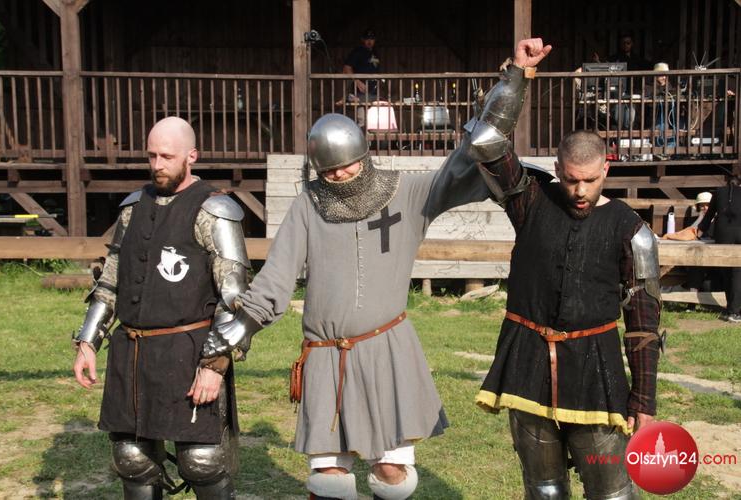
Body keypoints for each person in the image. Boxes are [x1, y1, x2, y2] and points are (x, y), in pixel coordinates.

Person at [200, 73, 528, 497]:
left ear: (364, 155)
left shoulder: (405, 194)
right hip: (325, 358)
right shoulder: (307, 207)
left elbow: (464, 163)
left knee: (392, 473)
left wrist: (513, 83)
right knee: (328, 478)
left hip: (386, 351)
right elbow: (276, 278)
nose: (339, 175)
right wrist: (242, 326)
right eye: (329, 169)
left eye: (347, 165)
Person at [473, 37, 662, 500]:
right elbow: (487, 141)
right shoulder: (530, 200)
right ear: (557, 169)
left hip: (596, 370)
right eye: (572, 180)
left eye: (590, 180)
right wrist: (518, 74)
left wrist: (644, 399)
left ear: (606, 170)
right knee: (544, 489)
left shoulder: (630, 230)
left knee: (612, 492)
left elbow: (643, 323)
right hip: (528, 361)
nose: (580, 191)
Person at [72, 116, 250, 499]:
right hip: (133, 353)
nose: (157, 165)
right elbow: (111, 281)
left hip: (190, 352)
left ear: (192, 156)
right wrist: (88, 341)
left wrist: (215, 365)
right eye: (151, 156)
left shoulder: (214, 210)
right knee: (131, 459)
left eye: (167, 156)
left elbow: (234, 298)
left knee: (201, 460)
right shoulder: (132, 208)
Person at [698, 176, 741, 322]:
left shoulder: (718, 192)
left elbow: (709, 216)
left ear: (727, 183)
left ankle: (732, 309)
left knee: (728, 272)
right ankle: (735, 311)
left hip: (723, 235)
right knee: (737, 273)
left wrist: (698, 232)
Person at [343, 28, 380, 103]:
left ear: (375, 40)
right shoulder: (358, 52)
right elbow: (346, 68)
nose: (369, 41)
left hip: (374, 93)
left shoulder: (375, 53)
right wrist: (357, 81)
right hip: (360, 93)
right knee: (361, 110)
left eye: (372, 38)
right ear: (362, 39)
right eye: (367, 38)